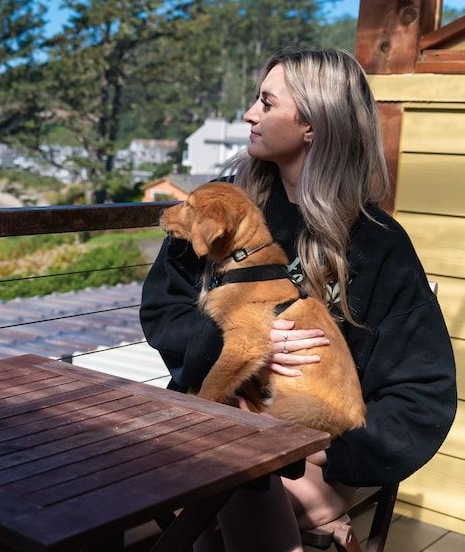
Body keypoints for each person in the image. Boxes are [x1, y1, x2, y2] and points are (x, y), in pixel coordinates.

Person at [139, 48, 456, 552]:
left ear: (312, 124)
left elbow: (422, 389)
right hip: (207, 423)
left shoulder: (376, 243)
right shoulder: (224, 208)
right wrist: (232, 341)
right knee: (213, 468)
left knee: (235, 475)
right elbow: (163, 312)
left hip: (317, 452)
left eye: (266, 102)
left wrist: (320, 451)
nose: (249, 114)